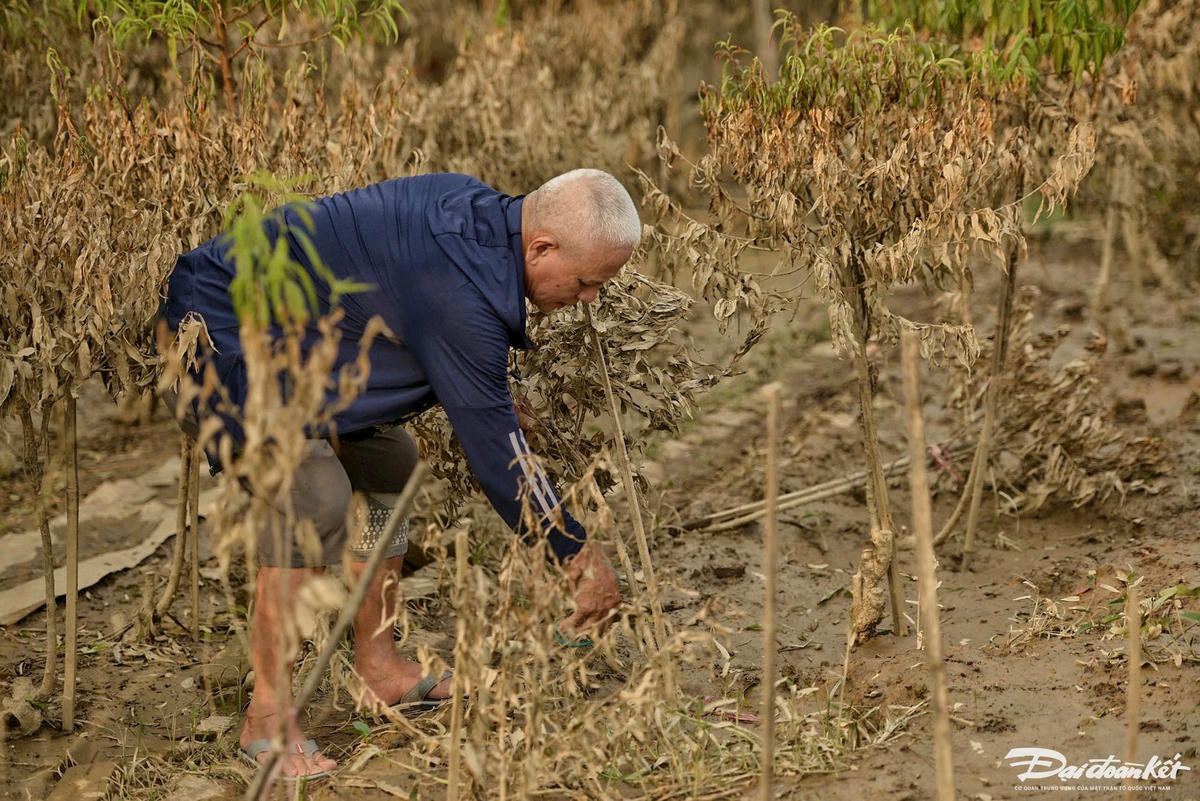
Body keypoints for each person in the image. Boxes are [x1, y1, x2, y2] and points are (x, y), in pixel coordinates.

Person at [160, 169, 635, 778]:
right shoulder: (460, 289)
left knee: (391, 463)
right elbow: (500, 456)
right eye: (588, 282)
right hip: (213, 330)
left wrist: (484, 391)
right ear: (540, 249)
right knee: (315, 496)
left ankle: (380, 669)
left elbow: (415, 314)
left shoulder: (483, 223)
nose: (590, 298)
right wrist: (576, 557)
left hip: (295, 338)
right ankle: (267, 717)